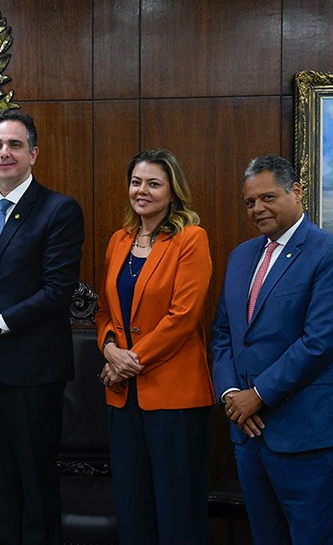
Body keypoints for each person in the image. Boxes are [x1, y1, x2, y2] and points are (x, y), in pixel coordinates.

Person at [0, 109, 84, 544]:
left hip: (33, 370)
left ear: (33, 154)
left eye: (15, 145)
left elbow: (57, 291)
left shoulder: (59, 210)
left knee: (36, 484)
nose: (5, 152)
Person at [211, 155, 333, 545]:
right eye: (250, 202)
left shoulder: (332, 254)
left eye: (267, 197)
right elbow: (224, 334)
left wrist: (257, 395)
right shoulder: (241, 255)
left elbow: (321, 341)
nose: (257, 208)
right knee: (265, 537)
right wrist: (232, 396)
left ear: (296, 193)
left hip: (304, 430)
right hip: (247, 431)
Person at [94, 149, 214, 545]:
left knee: (177, 510)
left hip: (175, 397)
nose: (141, 190)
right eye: (136, 182)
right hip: (123, 398)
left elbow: (183, 316)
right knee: (132, 508)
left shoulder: (190, 239)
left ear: (173, 191)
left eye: (153, 183)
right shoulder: (118, 240)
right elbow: (104, 312)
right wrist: (110, 348)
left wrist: (129, 361)